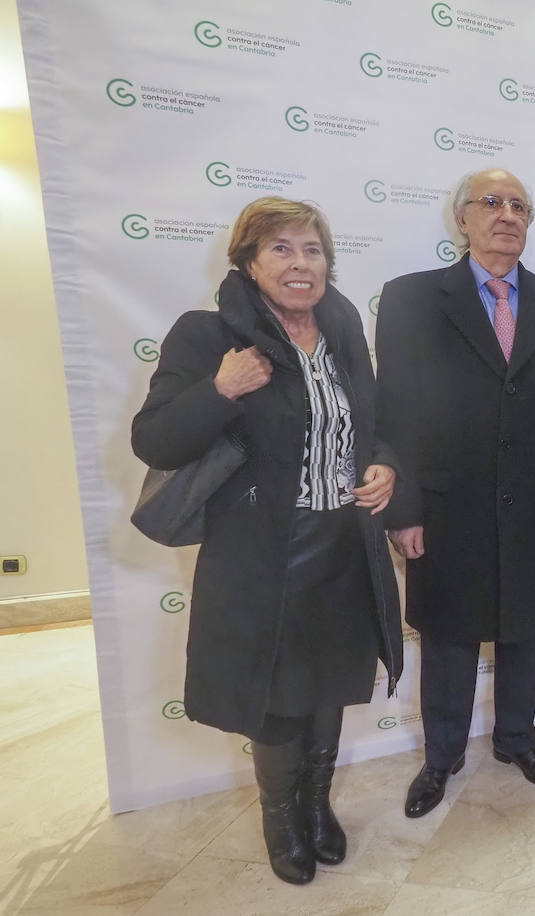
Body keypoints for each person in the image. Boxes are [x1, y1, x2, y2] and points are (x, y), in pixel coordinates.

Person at [131, 197, 404, 885]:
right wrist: (219, 390)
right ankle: (281, 817)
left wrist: (385, 466)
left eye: (312, 249)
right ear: (249, 261)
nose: (300, 263)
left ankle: (317, 805)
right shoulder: (207, 336)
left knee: (331, 685)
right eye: (281, 248)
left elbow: (373, 425)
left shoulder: (344, 331)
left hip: (345, 544)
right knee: (278, 696)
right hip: (263, 555)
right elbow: (154, 439)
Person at [376, 168, 535, 819]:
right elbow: (395, 412)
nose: (507, 215)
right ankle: (441, 756)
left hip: (531, 504)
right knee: (448, 635)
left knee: (524, 628)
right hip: (444, 506)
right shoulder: (413, 298)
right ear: (463, 219)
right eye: (491, 203)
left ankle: (517, 740)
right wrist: (403, 508)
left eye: (520, 206)